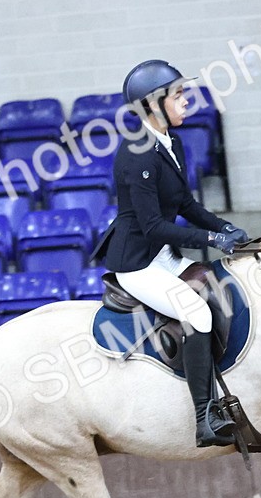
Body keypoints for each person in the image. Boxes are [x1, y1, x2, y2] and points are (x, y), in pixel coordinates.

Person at [93, 59, 250, 448]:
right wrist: (210, 240)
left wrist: (223, 228)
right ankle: (204, 417)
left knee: (222, 286)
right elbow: (152, 226)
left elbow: (184, 203)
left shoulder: (171, 143)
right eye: (178, 96)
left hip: (161, 254)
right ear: (153, 104)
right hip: (138, 262)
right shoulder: (137, 154)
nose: (185, 102)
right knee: (195, 312)